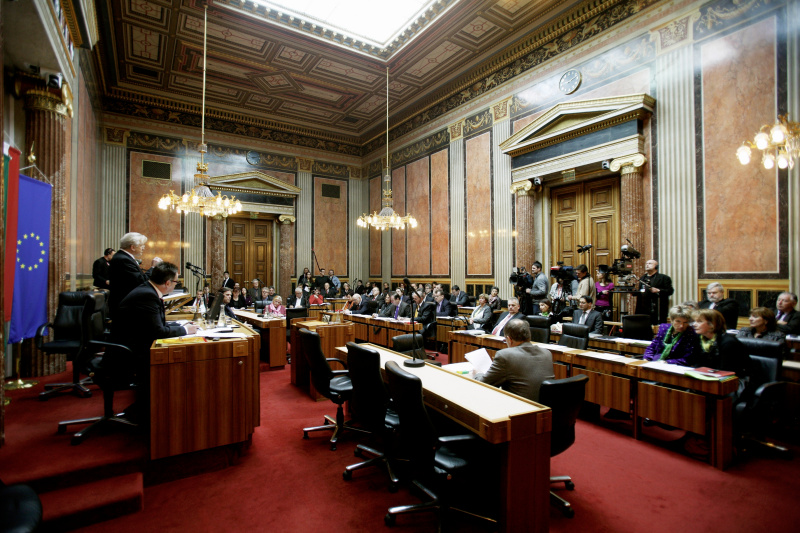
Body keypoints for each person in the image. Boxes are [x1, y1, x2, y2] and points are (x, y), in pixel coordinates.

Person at [112, 262, 198, 422]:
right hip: (128, 352)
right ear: (167, 283)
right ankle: (153, 412)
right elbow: (157, 331)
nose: (175, 285)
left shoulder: (148, 289)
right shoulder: (148, 295)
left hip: (131, 344)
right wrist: (186, 330)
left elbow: (156, 324)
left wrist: (180, 325)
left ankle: (152, 408)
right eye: (176, 282)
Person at [476, 319, 555, 402]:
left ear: (509, 339)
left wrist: (478, 374)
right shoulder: (547, 353)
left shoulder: (505, 356)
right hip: (546, 409)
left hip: (520, 410)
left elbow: (483, 385)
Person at [692, 309, 751, 393]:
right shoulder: (699, 339)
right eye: (694, 321)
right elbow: (697, 362)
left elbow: (728, 370)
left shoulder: (728, 342)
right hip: (710, 378)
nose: (694, 324)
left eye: (699, 321)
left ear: (712, 324)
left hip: (734, 381)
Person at [108, 232, 162, 316]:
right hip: (126, 307)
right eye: (141, 245)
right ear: (132, 247)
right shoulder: (123, 259)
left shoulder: (123, 257)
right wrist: (153, 267)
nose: (143, 248)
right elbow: (140, 281)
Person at [634, 259, 674, 325]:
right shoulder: (642, 278)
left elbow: (670, 291)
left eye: (650, 263)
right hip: (642, 308)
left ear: (656, 266)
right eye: (646, 263)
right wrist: (635, 293)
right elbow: (641, 290)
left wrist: (658, 290)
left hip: (656, 308)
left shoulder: (664, 278)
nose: (647, 265)